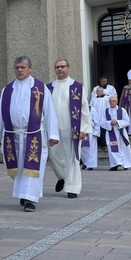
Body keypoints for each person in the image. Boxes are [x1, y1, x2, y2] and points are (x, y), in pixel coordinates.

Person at [0, 56, 59, 212]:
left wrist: (53, 134)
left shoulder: (40, 88)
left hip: (33, 135)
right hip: (12, 135)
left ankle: (30, 199)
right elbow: (1, 112)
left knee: (33, 168)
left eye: (22, 67)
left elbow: (49, 111)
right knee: (18, 168)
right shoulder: (7, 90)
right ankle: (23, 193)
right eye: (17, 68)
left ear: (30, 68)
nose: (19, 70)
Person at [47, 59, 91, 199]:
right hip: (53, 129)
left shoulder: (76, 87)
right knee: (53, 156)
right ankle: (62, 177)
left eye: (62, 66)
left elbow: (84, 108)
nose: (60, 69)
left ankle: (72, 187)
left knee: (72, 157)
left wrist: (84, 128)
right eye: (57, 67)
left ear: (68, 68)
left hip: (72, 128)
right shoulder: (49, 87)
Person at [101, 95, 131, 171]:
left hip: (121, 132)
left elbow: (127, 121)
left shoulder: (122, 110)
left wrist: (117, 122)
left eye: (113, 101)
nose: (111, 103)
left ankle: (125, 164)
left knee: (123, 147)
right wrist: (109, 123)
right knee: (112, 148)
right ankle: (114, 164)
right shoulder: (105, 111)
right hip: (110, 132)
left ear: (116, 101)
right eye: (110, 101)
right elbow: (102, 122)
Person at [81, 104, 101, 170]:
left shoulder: (92, 109)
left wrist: (96, 132)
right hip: (82, 131)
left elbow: (96, 121)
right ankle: (85, 162)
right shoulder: (78, 109)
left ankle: (91, 164)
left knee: (91, 149)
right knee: (83, 149)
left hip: (91, 132)